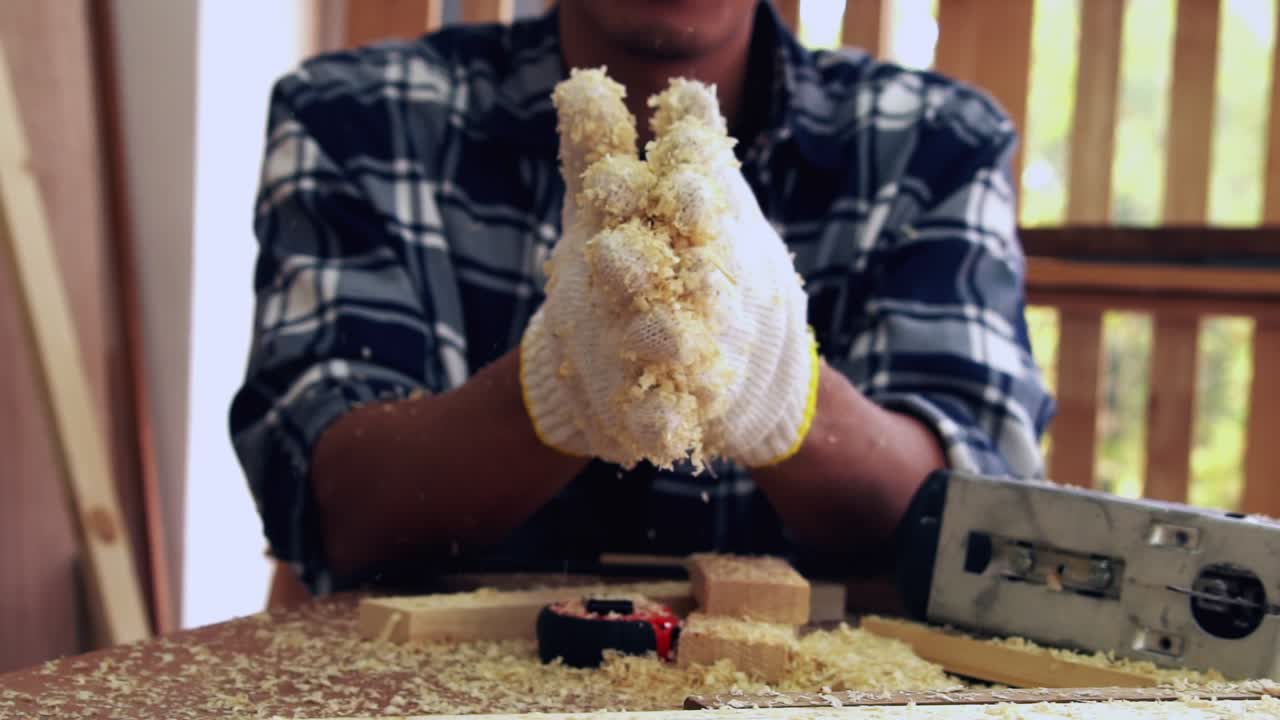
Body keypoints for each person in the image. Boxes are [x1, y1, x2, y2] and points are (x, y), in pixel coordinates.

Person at [230, 0, 1055, 598]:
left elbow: (980, 519)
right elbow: (330, 499)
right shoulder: (358, 117)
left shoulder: (939, 143)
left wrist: (783, 392)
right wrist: (555, 385)